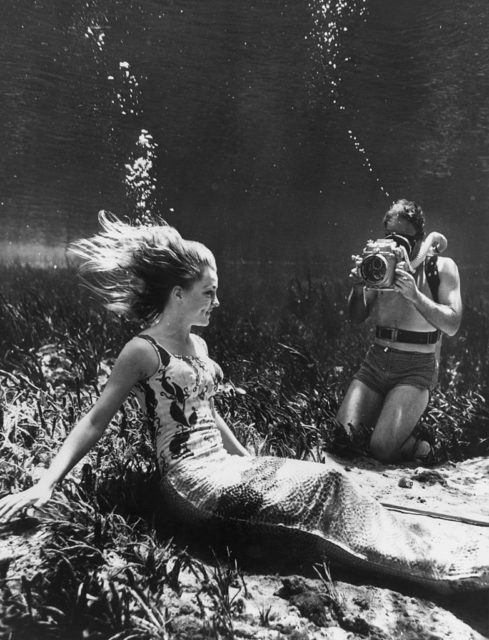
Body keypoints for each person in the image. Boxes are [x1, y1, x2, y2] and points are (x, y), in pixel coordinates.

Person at [0, 211, 486, 593]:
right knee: (317, 497)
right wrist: (46, 483)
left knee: (330, 482)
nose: (217, 302)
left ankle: (421, 556)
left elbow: (210, 414)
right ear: (177, 294)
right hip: (190, 484)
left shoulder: (198, 347)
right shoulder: (142, 351)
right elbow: (93, 421)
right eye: (208, 293)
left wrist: (253, 462)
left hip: (223, 469)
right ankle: (429, 573)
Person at [337, 199, 462, 463]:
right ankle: (385, 421)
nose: (398, 244)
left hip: (416, 369)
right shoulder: (380, 262)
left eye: (406, 238)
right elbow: (357, 317)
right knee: (342, 439)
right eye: (392, 236)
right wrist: (358, 287)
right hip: (375, 361)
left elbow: (452, 324)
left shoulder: (441, 267)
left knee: (381, 449)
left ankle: (420, 445)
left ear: (421, 238)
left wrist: (416, 297)